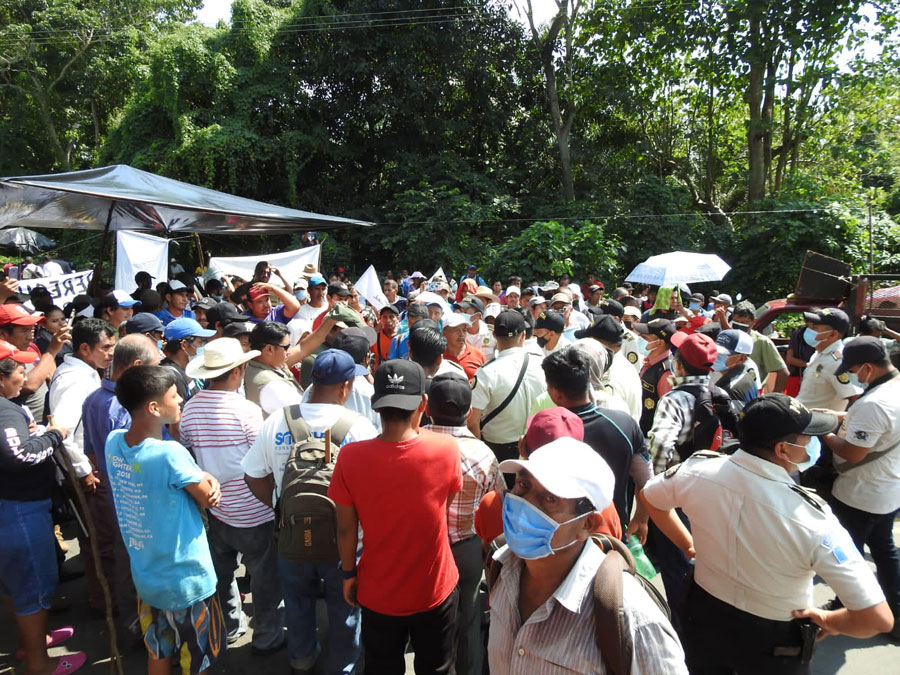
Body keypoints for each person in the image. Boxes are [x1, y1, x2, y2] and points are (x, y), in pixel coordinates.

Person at [640, 394, 893, 673]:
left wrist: (688, 545)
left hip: (704, 614)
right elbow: (876, 618)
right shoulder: (812, 519)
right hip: (774, 638)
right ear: (783, 449)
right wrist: (828, 620)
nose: (812, 444)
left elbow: (651, 498)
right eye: (807, 438)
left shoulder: (697, 471)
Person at [488, 437, 686, 674]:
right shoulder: (501, 566)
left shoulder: (634, 619)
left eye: (550, 499)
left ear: (588, 524)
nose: (525, 503)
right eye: (523, 485)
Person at [243, 349, 378, 675]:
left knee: (297, 600)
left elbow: (252, 474)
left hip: (291, 535)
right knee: (344, 606)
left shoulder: (278, 420)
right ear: (345, 387)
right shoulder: (359, 428)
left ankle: (301, 658)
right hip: (342, 543)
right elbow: (371, 493)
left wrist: (280, 509)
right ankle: (342, 666)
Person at [329, 360, 462, 675]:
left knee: (381, 666)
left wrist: (348, 574)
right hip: (435, 586)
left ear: (377, 407)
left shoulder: (350, 457)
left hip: (378, 590)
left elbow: (346, 528)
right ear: (423, 404)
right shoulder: (446, 449)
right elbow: (445, 506)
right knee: (438, 667)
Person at [107, 366, 224, 675]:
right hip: (187, 579)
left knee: (158, 648)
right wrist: (209, 477)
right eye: (174, 395)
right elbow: (207, 496)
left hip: (147, 577)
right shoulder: (170, 453)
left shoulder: (113, 442)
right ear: (154, 408)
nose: (182, 399)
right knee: (196, 658)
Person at [180, 337, 284, 652]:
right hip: (254, 511)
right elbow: (263, 460)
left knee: (221, 573)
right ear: (238, 370)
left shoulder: (192, 406)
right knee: (264, 577)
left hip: (214, 507)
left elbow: (188, 445)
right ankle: (266, 635)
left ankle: (229, 626)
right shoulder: (246, 411)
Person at [0, 344, 85, 675]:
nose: (26, 376)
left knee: (13, 584)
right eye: (19, 370)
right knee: (31, 587)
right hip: (19, 512)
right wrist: (53, 436)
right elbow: (18, 455)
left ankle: (32, 643)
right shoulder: (5, 411)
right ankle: (40, 664)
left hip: (10, 508)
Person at [424, 372, 504, 675]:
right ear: (469, 413)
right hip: (466, 547)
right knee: (468, 618)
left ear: (427, 407)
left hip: (422, 545)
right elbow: (495, 501)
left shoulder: (415, 443)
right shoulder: (483, 454)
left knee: (424, 616)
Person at [81, 334, 160, 638]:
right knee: (139, 564)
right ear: (138, 367)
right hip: (138, 501)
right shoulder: (125, 409)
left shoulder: (93, 400)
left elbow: (91, 453)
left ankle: (134, 624)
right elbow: (141, 461)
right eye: (154, 367)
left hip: (116, 497)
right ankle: (145, 629)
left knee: (126, 561)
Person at [820, 337, 900, 633]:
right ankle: (896, 612)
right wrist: (841, 415)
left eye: (853, 369)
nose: (852, 375)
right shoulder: (894, 386)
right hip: (888, 488)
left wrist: (824, 431)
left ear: (867, 367)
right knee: (884, 551)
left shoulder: (875, 404)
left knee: (847, 557)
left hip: (860, 493)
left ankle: (847, 609)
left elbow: (853, 453)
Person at [542, 346, 653, 540]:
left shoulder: (546, 431)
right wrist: (641, 518)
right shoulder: (625, 423)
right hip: (612, 531)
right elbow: (646, 481)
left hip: (561, 537)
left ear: (557, 393)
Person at [469, 310, 546, 463]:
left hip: (497, 451)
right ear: (523, 335)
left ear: (494, 336)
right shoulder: (542, 364)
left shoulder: (486, 372)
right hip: (537, 446)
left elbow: (472, 423)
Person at [0, 303, 69, 423]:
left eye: (32, 329)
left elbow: (50, 374)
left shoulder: (30, 347)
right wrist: (51, 351)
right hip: (20, 428)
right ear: (2, 333)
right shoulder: (3, 356)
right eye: (25, 330)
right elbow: (30, 385)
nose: (30, 337)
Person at [796, 308, 862, 411]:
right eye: (809, 327)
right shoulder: (818, 353)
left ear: (832, 334)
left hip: (819, 423)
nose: (809, 331)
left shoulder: (837, 362)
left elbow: (854, 398)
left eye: (815, 328)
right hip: (804, 419)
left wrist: (842, 424)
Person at [244, 321, 305, 415]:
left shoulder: (251, 366)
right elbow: (303, 413)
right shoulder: (271, 385)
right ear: (269, 349)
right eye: (286, 347)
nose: (289, 352)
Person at [731, 301, 788, 393]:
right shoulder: (725, 337)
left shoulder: (762, 342)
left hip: (750, 393)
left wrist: (773, 398)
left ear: (754, 322)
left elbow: (783, 373)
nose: (740, 325)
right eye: (737, 321)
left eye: (744, 322)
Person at [160, 317, 216, 406]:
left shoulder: (184, 371)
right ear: (184, 345)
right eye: (199, 343)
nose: (202, 347)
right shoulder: (173, 377)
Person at [635, 318, 676, 435]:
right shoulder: (649, 362)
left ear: (659, 342)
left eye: (645, 338)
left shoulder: (666, 373)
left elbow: (667, 414)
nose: (640, 339)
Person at [710, 328, 760, 404]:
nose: (716, 356)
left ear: (742, 359)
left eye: (723, 354)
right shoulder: (744, 375)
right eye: (715, 351)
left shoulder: (730, 390)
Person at [442, 312, 485, 380]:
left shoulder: (478, 355)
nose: (461, 334)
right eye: (456, 330)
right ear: (444, 333)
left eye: (464, 330)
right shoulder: (438, 356)